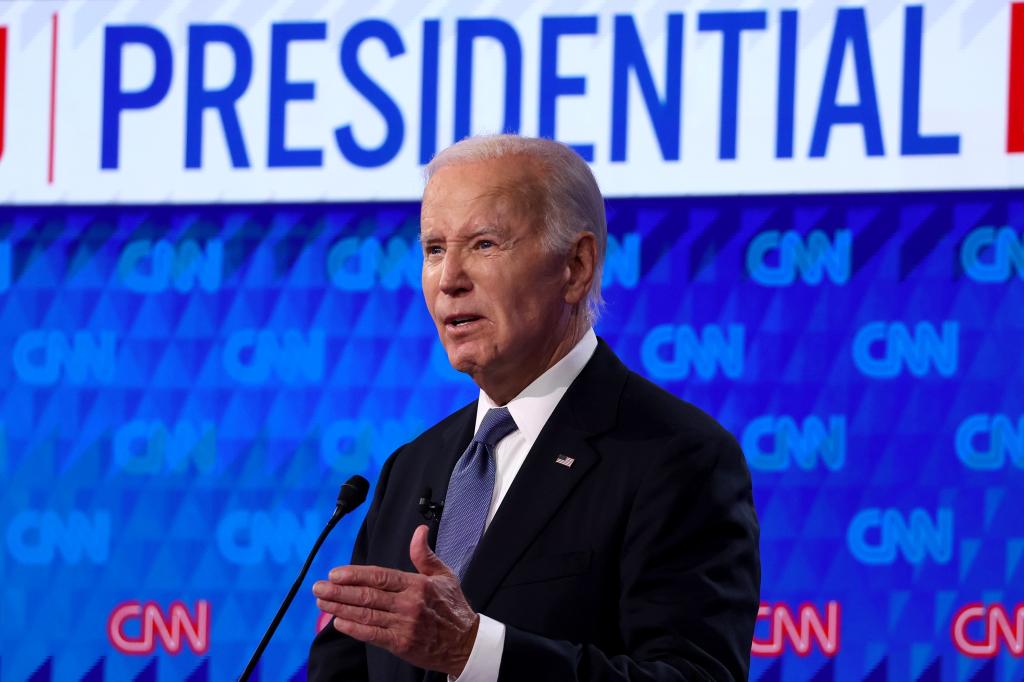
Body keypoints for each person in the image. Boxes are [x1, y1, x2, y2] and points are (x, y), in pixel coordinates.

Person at [308, 135, 760, 681]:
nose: (449, 279)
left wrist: (475, 653)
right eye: (433, 249)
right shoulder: (411, 468)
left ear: (575, 266)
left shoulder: (676, 457)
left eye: (484, 245)